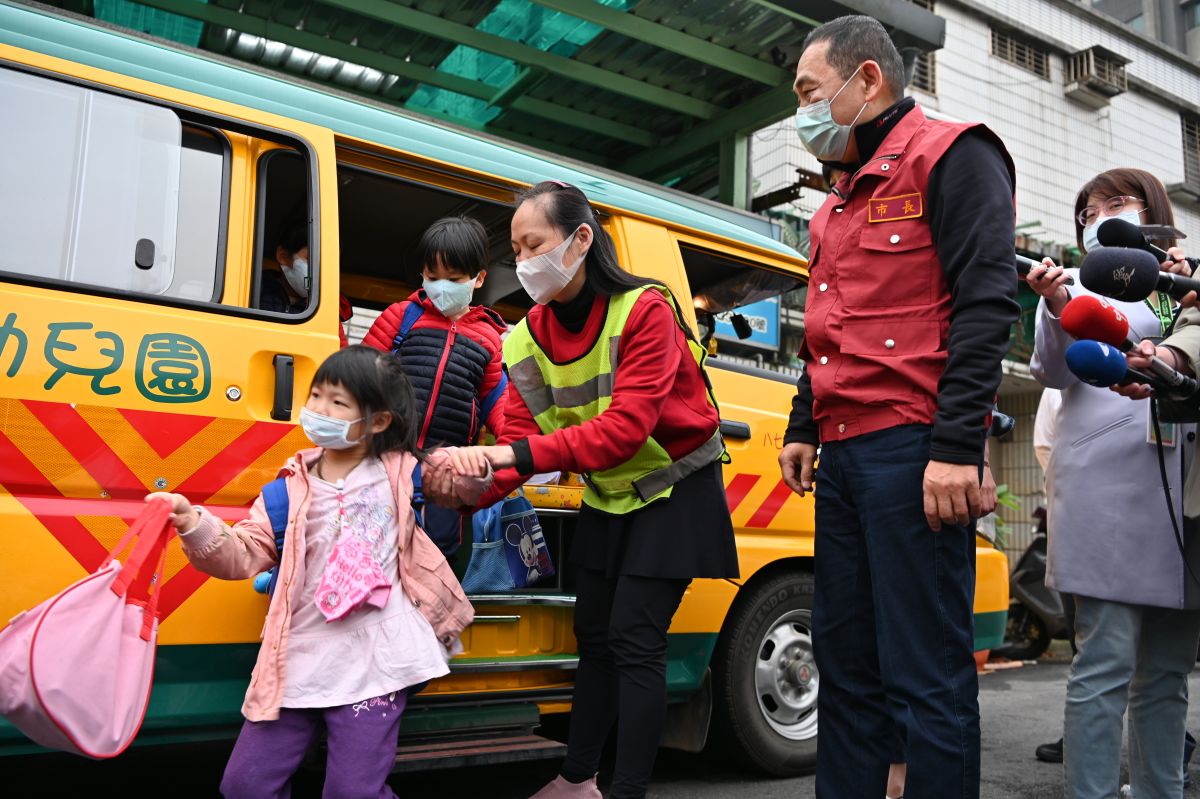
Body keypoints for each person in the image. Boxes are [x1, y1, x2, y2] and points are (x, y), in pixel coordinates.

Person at [424, 180, 739, 799]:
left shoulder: (644, 308)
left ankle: (625, 791)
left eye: (534, 243)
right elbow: (518, 438)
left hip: (674, 488)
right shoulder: (524, 336)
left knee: (634, 639)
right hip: (609, 492)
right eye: (514, 250)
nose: (523, 262)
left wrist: (502, 453)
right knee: (593, 637)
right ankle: (576, 779)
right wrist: (466, 491)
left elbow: (624, 430)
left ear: (581, 239)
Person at [777, 15, 1019, 798]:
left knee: (926, 674)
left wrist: (956, 445)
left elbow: (986, 306)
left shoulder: (953, 155)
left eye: (811, 92)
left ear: (866, 80)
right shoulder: (834, 204)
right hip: (845, 459)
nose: (804, 112)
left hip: (914, 451)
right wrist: (803, 423)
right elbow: (827, 327)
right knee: (846, 669)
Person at [146, 345, 478, 799]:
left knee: (353, 793)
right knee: (245, 786)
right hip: (297, 661)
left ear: (378, 421)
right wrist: (193, 523)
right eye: (316, 396)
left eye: (338, 402)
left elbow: (465, 487)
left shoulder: (404, 475)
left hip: (377, 661)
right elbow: (241, 554)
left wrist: (469, 464)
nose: (319, 409)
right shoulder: (283, 493)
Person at [1025, 166, 1199, 799]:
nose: (1099, 215)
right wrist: (1053, 303)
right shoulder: (1075, 283)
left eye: (1116, 203)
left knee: (1168, 674)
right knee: (1102, 665)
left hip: (1184, 493)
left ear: (1149, 211)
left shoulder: (1184, 280)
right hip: (1105, 493)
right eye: (1088, 209)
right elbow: (1050, 371)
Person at [362, 217, 509, 561]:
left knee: (436, 556)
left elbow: (498, 403)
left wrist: (517, 452)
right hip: (385, 464)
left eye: (454, 279)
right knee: (374, 550)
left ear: (478, 278)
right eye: (432, 277)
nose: (441, 286)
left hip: (446, 473)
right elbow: (355, 380)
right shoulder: (400, 318)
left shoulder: (488, 339)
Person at [262, 222, 354, 346]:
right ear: (283, 256)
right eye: (312, 259)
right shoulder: (251, 294)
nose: (320, 270)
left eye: (329, 264)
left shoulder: (329, 316)